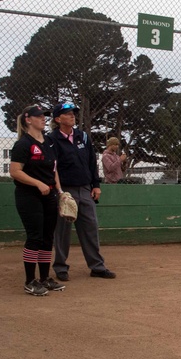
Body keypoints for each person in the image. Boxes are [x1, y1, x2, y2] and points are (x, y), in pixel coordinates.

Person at [48, 102, 116, 282]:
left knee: (90, 227)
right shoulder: (52, 139)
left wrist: (96, 185)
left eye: (73, 113)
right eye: (67, 113)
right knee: (62, 230)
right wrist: (59, 191)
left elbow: (91, 162)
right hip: (65, 191)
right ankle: (61, 267)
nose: (72, 116)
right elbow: (51, 167)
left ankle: (97, 267)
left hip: (85, 188)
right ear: (57, 119)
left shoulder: (82, 137)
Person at [8, 104, 66, 296]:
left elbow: (54, 169)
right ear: (28, 119)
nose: (43, 118)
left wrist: (60, 191)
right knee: (35, 237)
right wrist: (37, 183)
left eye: (44, 116)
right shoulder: (23, 144)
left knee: (47, 237)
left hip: (49, 194)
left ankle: (44, 278)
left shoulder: (49, 142)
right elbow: (15, 172)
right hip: (29, 196)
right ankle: (29, 281)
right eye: (39, 116)